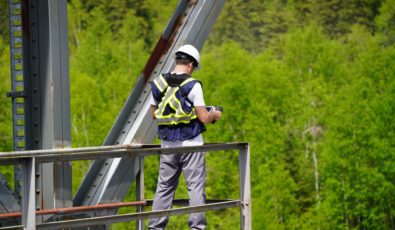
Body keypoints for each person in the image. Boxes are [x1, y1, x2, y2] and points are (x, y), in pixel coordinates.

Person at [148, 44, 222, 230]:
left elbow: (153, 114)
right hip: (191, 144)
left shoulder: (158, 84)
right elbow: (203, 117)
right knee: (195, 188)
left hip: (167, 146)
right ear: (190, 64)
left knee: (164, 189)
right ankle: (196, 228)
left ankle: (155, 227)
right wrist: (214, 114)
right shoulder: (193, 85)